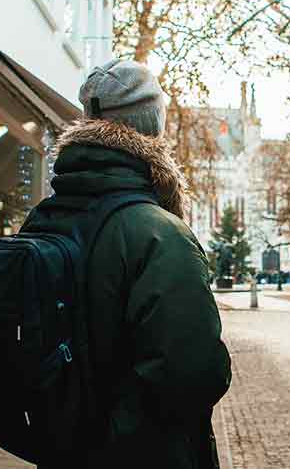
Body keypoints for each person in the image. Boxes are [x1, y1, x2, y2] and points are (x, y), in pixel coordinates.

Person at [26, 58, 232, 468]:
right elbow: (193, 372)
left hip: (62, 451)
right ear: (153, 127)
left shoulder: (42, 218)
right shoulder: (160, 233)